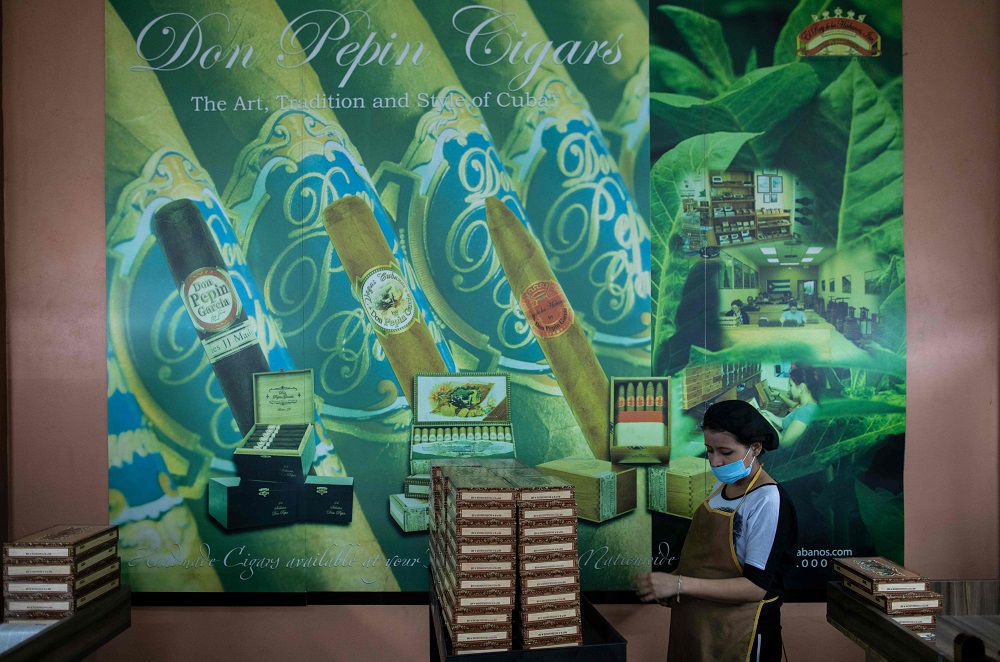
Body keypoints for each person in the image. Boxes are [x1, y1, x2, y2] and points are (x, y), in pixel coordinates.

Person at [633, 401, 798, 662]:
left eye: (725, 452)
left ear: (755, 448)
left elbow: (756, 587)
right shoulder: (720, 490)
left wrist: (679, 584)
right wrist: (672, 584)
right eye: (709, 450)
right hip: (699, 628)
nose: (715, 461)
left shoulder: (767, 500)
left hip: (741, 633)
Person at [761, 366, 821, 446]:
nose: (789, 388)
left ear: (801, 387)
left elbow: (784, 444)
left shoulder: (804, 412)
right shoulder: (811, 405)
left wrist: (767, 423)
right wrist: (770, 416)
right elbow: (787, 424)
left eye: (791, 385)